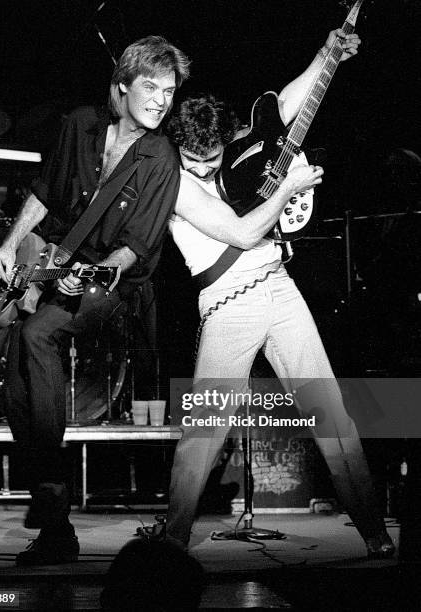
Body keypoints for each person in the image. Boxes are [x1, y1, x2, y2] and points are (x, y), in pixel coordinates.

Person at [162, 29, 395, 558]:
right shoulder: (173, 182)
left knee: (333, 414)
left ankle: (376, 535)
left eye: (212, 159)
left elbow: (286, 105)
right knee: (205, 431)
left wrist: (326, 53)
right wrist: (290, 187)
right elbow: (243, 234)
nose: (204, 170)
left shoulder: (233, 144)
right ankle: (171, 546)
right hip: (228, 306)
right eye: (194, 160)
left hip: (280, 289)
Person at [0, 35, 190, 566]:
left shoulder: (160, 156)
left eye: (169, 91)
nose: (161, 100)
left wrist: (93, 273)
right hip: (54, 262)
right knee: (13, 387)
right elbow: (44, 192)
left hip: (116, 286)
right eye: (151, 87)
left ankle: (50, 492)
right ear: (121, 87)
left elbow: (136, 249)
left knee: (38, 332)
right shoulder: (79, 124)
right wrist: (9, 247)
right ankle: (55, 524)